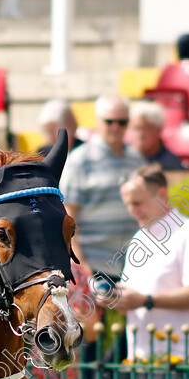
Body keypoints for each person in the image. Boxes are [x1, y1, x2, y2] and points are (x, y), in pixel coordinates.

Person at [60, 94, 142, 280]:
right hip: (93, 268)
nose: (115, 127)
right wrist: (81, 267)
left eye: (122, 122)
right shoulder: (80, 160)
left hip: (133, 266)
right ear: (97, 122)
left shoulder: (137, 158)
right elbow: (67, 218)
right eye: (109, 121)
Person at [116, 164, 189, 361]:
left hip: (180, 358)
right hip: (140, 357)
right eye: (128, 204)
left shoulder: (186, 234)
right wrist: (116, 299)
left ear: (162, 194)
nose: (133, 211)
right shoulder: (138, 238)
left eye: (138, 203)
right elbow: (130, 294)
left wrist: (146, 300)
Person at [128, 100, 184, 169]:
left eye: (145, 129)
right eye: (136, 128)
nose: (140, 134)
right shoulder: (123, 158)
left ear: (158, 130)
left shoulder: (171, 163)